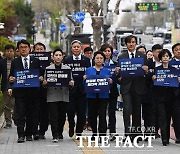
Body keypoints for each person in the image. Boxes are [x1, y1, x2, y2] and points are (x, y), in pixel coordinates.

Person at [8, 39, 43, 143]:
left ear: (30, 49)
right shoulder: (15, 61)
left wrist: (41, 78)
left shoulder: (35, 61)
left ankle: (29, 134)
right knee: (20, 114)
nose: (23, 49)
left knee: (31, 114)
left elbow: (41, 74)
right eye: (21, 47)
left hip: (33, 92)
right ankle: (20, 135)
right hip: (20, 92)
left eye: (25, 47)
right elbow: (11, 75)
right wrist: (11, 79)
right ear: (18, 49)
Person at [118, 35, 148, 141]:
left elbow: (147, 73)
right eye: (129, 42)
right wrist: (118, 73)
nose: (131, 44)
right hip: (126, 87)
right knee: (126, 110)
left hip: (138, 87)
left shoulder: (142, 56)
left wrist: (146, 70)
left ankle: (136, 134)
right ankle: (127, 133)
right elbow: (118, 76)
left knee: (137, 111)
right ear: (126, 44)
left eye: (133, 42)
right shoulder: (121, 57)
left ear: (136, 43)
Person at [43, 49, 74, 142]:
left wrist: (71, 83)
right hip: (52, 94)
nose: (58, 57)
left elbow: (71, 80)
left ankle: (60, 132)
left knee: (62, 116)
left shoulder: (67, 69)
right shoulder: (48, 69)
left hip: (63, 94)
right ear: (52, 57)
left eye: (60, 55)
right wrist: (44, 83)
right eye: (56, 55)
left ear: (62, 56)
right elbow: (45, 82)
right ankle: (54, 134)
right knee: (53, 116)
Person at [152, 49, 180, 146]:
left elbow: (176, 83)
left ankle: (167, 137)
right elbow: (152, 83)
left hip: (171, 96)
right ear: (160, 58)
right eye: (163, 56)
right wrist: (153, 78)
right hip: (160, 97)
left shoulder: (175, 70)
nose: (165, 58)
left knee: (168, 117)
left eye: (167, 56)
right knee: (162, 117)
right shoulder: (157, 69)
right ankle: (164, 138)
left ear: (169, 58)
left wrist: (178, 80)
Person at [63, 40, 90, 138]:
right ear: (71, 49)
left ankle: (78, 132)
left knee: (82, 113)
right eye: (74, 47)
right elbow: (63, 74)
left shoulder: (86, 60)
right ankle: (71, 125)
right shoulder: (67, 60)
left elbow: (89, 72)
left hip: (82, 90)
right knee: (70, 111)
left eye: (78, 47)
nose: (76, 49)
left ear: (81, 48)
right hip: (70, 90)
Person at [83, 51, 112, 140]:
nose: (99, 60)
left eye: (101, 58)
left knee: (103, 115)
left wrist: (110, 82)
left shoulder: (107, 70)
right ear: (94, 59)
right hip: (91, 96)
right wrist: (84, 80)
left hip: (103, 96)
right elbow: (85, 84)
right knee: (92, 115)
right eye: (97, 58)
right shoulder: (88, 70)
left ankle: (102, 134)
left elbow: (109, 85)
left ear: (103, 60)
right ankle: (95, 133)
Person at [100, 43, 119, 141]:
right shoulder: (98, 64)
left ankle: (112, 131)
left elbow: (119, 80)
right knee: (102, 112)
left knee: (112, 112)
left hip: (113, 91)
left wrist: (116, 74)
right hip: (102, 91)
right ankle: (102, 132)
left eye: (109, 51)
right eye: (105, 51)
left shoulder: (115, 64)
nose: (107, 53)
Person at [33, 42, 49, 139]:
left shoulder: (49, 61)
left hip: (45, 90)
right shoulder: (31, 61)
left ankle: (42, 131)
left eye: (41, 49)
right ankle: (34, 131)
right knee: (34, 110)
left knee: (44, 111)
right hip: (33, 89)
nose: (39, 51)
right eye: (37, 49)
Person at [0, 44, 15, 128]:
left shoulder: (17, 61)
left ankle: (16, 118)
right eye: (7, 51)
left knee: (15, 103)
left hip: (16, 86)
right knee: (6, 104)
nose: (9, 53)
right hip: (5, 85)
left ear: (14, 52)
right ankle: (8, 122)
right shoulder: (2, 62)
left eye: (11, 51)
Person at [170, 43, 180, 144]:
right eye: (176, 50)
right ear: (173, 52)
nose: (179, 51)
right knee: (176, 115)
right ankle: (178, 136)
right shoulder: (170, 63)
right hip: (174, 93)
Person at [83, 46, 94, 131]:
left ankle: (90, 123)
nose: (89, 55)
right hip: (84, 87)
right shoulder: (82, 61)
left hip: (93, 87)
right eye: (87, 53)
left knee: (91, 107)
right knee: (84, 106)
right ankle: (83, 123)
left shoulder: (95, 62)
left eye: (90, 53)